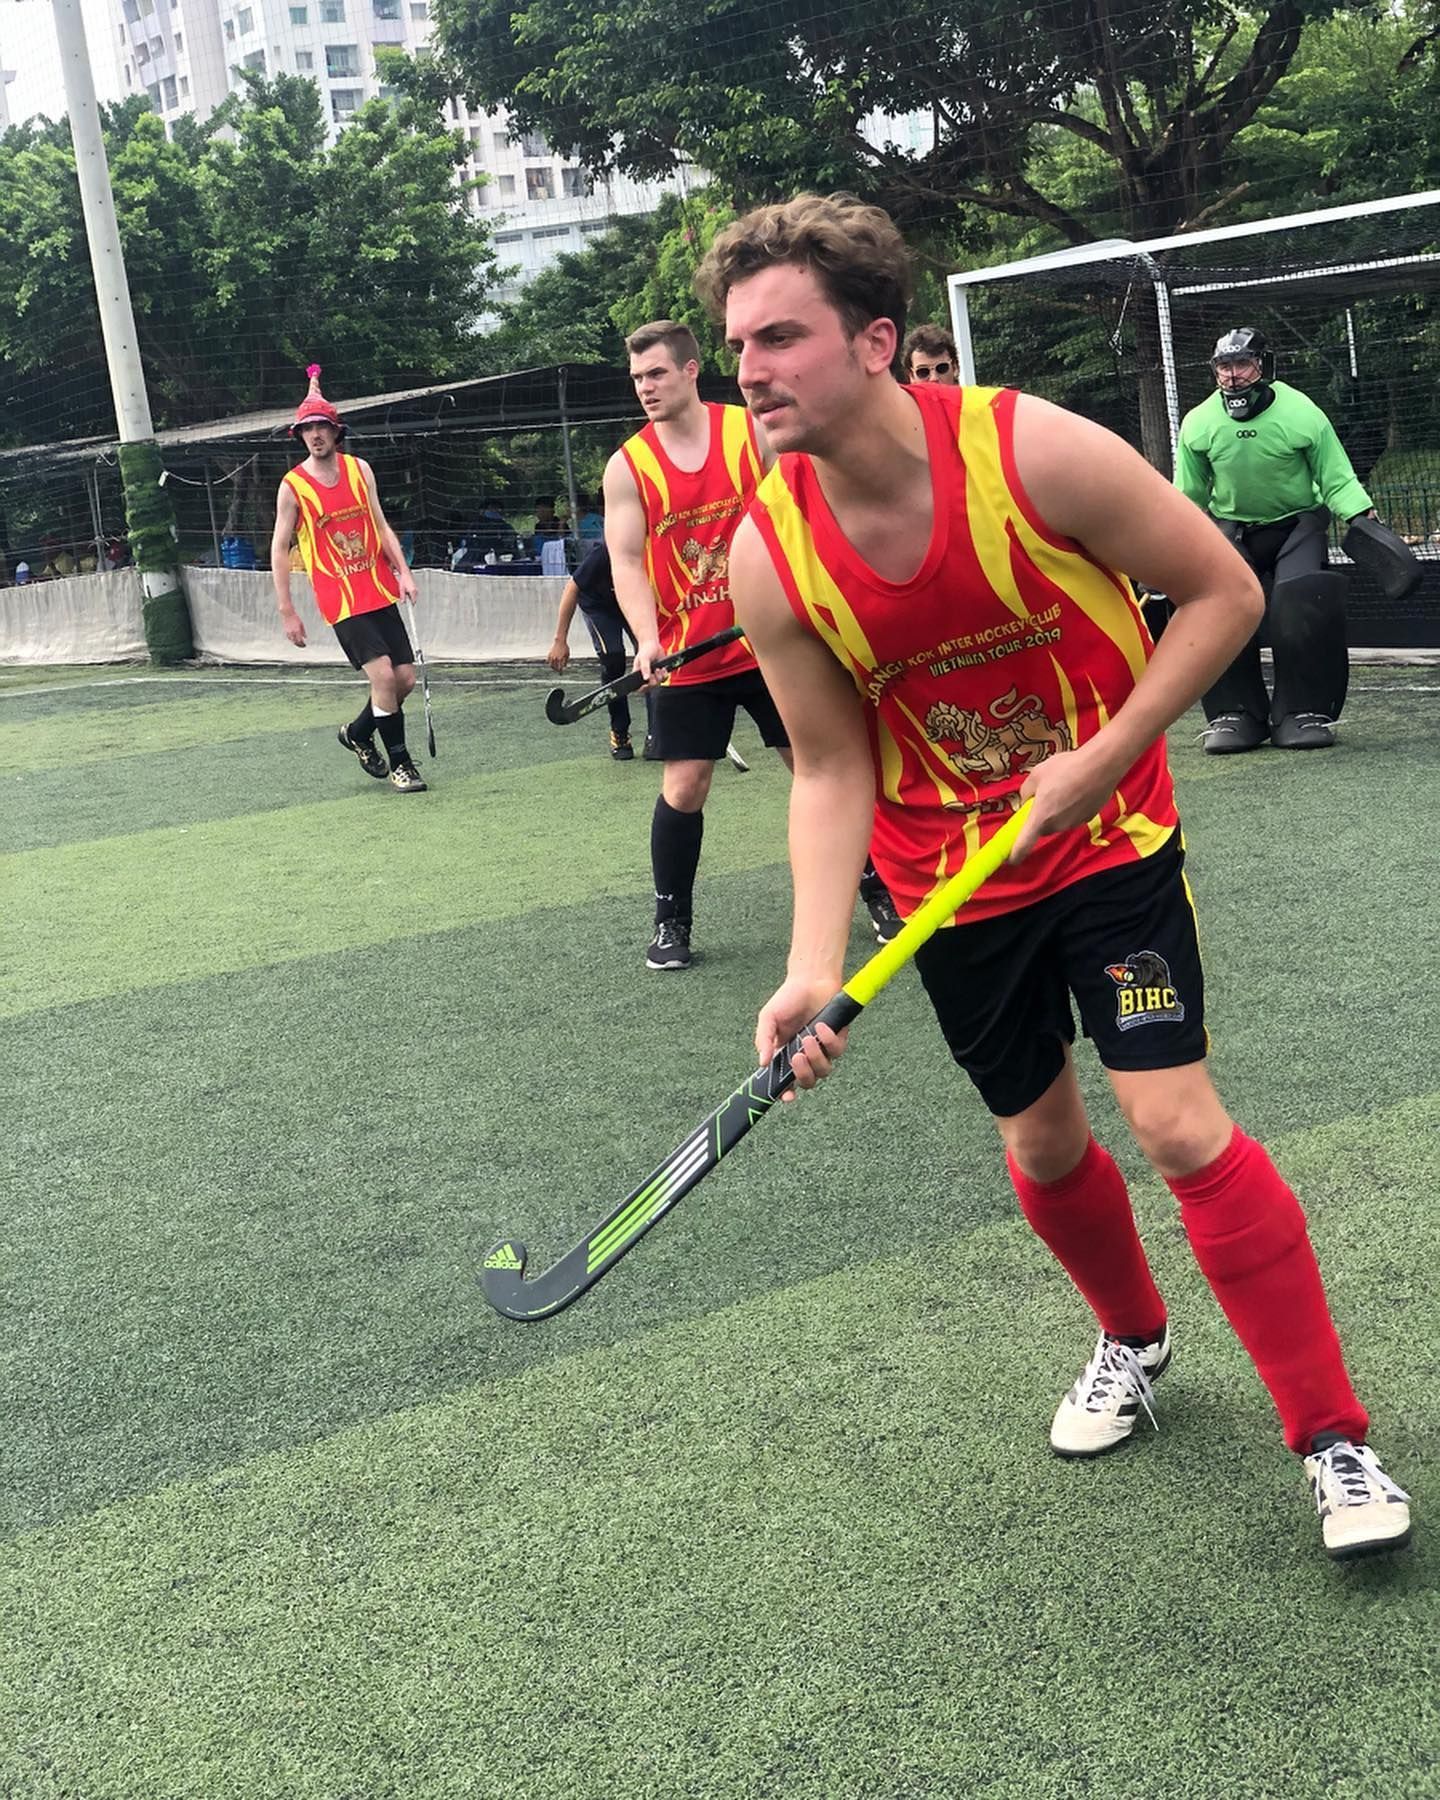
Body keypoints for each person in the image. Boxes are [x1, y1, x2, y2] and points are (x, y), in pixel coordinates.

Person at [700, 193, 1411, 1561]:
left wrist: (1105, 757)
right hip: (944, 889)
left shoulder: (1032, 453)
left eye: (780, 335)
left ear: (877, 341)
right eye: (741, 342)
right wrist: (806, 966)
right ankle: (1134, 1338)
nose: (753, 368)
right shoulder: (766, 552)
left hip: (1109, 844)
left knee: (1180, 1128)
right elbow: (828, 767)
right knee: (1041, 1143)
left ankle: (1332, 1437)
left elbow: (1224, 595)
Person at [605, 319, 899, 968]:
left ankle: (880, 890)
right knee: (686, 785)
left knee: (820, 767)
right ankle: (670, 922)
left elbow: (801, 507)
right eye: (636, 379)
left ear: (688, 370)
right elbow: (626, 560)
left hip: (775, 643)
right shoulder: (628, 467)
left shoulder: (749, 429)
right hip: (688, 655)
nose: (645, 388)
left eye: (655, 373)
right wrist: (646, 639)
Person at [1176, 327, 1373, 753]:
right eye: (1223, 367)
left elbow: (1334, 476)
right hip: (1231, 529)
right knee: (1221, 609)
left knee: (1299, 602)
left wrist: (1361, 514)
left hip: (1297, 526)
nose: (1232, 376)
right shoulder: (1199, 423)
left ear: (1263, 366)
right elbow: (1187, 495)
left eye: (1241, 364)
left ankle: (1302, 713)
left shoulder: (1301, 413)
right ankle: (1236, 715)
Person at [271, 364, 427, 794]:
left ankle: (359, 732)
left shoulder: (361, 470)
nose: (316, 434)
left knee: (404, 680)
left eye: (322, 426)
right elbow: (279, 549)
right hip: (340, 598)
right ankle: (401, 764)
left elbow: (380, 524)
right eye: (308, 428)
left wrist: (404, 572)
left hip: (378, 588)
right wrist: (288, 610)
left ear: (336, 431)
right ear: (299, 435)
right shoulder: (293, 486)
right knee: (382, 677)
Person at [547, 539, 652, 759]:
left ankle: (657, 734)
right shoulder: (607, 551)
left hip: (632, 603)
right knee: (613, 659)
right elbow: (571, 588)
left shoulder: (658, 548)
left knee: (651, 659)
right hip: (599, 606)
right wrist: (560, 640)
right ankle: (620, 733)